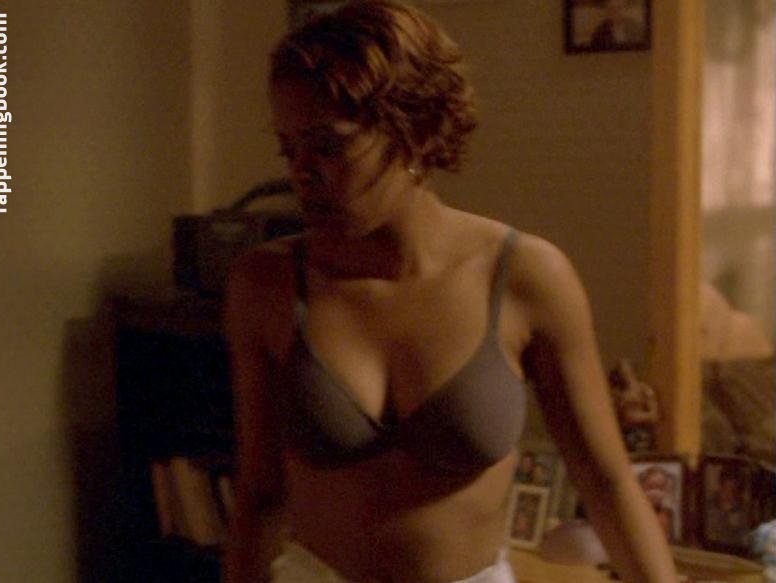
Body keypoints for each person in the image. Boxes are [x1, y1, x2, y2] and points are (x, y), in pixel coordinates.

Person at [222, 1, 679, 581]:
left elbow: (605, 481)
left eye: (329, 146)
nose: (302, 173)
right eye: (289, 149)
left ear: (413, 130)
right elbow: (260, 495)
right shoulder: (265, 284)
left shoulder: (525, 276)